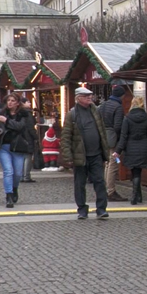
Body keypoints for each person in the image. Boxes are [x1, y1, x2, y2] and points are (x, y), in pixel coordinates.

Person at [60, 87, 109, 220]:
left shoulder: (96, 111)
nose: (89, 98)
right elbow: (65, 137)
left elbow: (102, 132)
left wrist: (105, 150)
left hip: (96, 154)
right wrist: (68, 156)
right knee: (80, 184)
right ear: (78, 98)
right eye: (86, 96)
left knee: (100, 181)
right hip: (80, 156)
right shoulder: (72, 114)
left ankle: (101, 209)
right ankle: (82, 209)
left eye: (90, 96)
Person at [0, 94, 34, 208]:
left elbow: (20, 127)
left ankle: (15, 188)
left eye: (13, 100)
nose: (10, 102)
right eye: (8, 100)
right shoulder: (0, 112)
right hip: (3, 146)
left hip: (17, 147)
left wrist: (6, 121)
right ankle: (9, 195)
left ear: (18, 103)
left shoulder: (23, 114)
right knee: (8, 171)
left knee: (18, 173)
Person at [114, 96, 147, 205]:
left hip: (131, 147)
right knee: (138, 172)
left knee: (134, 172)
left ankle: (134, 196)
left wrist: (118, 150)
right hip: (143, 147)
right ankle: (138, 196)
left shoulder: (127, 118)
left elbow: (123, 136)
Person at [99, 84, 127, 202]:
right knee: (113, 164)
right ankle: (110, 191)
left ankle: (106, 189)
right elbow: (118, 126)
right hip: (112, 138)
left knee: (107, 163)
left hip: (103, 137)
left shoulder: (103, 105)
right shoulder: (118, 107)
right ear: (122, 96)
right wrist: (120, 141)